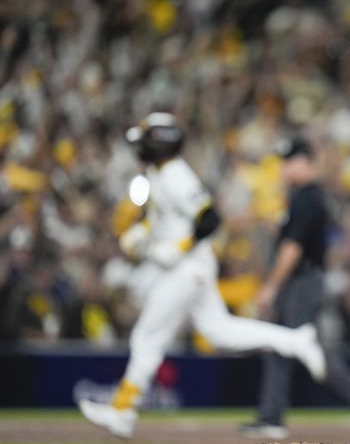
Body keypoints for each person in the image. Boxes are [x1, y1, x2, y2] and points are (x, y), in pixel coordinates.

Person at [77, 113, 327, 439]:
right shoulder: (158, 173)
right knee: (220, 332)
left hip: (187, 268)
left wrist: (178, 247)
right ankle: (295, 340)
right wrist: (143, 232)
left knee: (147, 336)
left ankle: (123, 411)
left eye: (145, 140)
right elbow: (167, 217)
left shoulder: (176, 174)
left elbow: (209, 219)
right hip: (189, 268)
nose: (139, 147)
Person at [240, 136, 350, 440]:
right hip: (303, 280)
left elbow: (292, 250)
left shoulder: (308, 198)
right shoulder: (302, 197)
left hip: (302, 281)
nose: (282, 168)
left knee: (301, 347)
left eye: (288, 161)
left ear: (304, 161)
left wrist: (270, 287)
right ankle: (272, 417)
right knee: (284, 347)